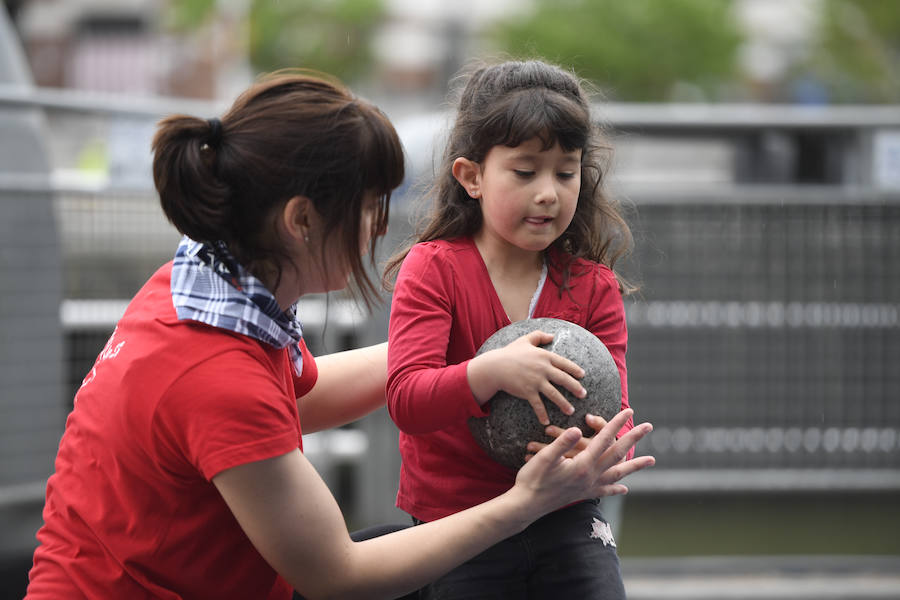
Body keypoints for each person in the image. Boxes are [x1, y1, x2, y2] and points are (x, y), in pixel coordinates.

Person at [25, 70, 654, 600]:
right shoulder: (215, 373)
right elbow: (335, 573)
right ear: (302, 220)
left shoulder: (206, 289)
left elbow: (301, 396)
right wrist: (526, 503)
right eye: (371, 205)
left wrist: (464, 352)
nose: (380, 226)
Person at [384, 59, 639, 598]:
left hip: (564, 513)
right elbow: (407, 398)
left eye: (565, 173)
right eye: (525, 173)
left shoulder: (594, 286)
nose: (548, 192)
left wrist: (595, 442)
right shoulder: (433, 268)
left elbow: (608, 399)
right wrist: (491, 371)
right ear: (471, 176)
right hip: (456, 521)